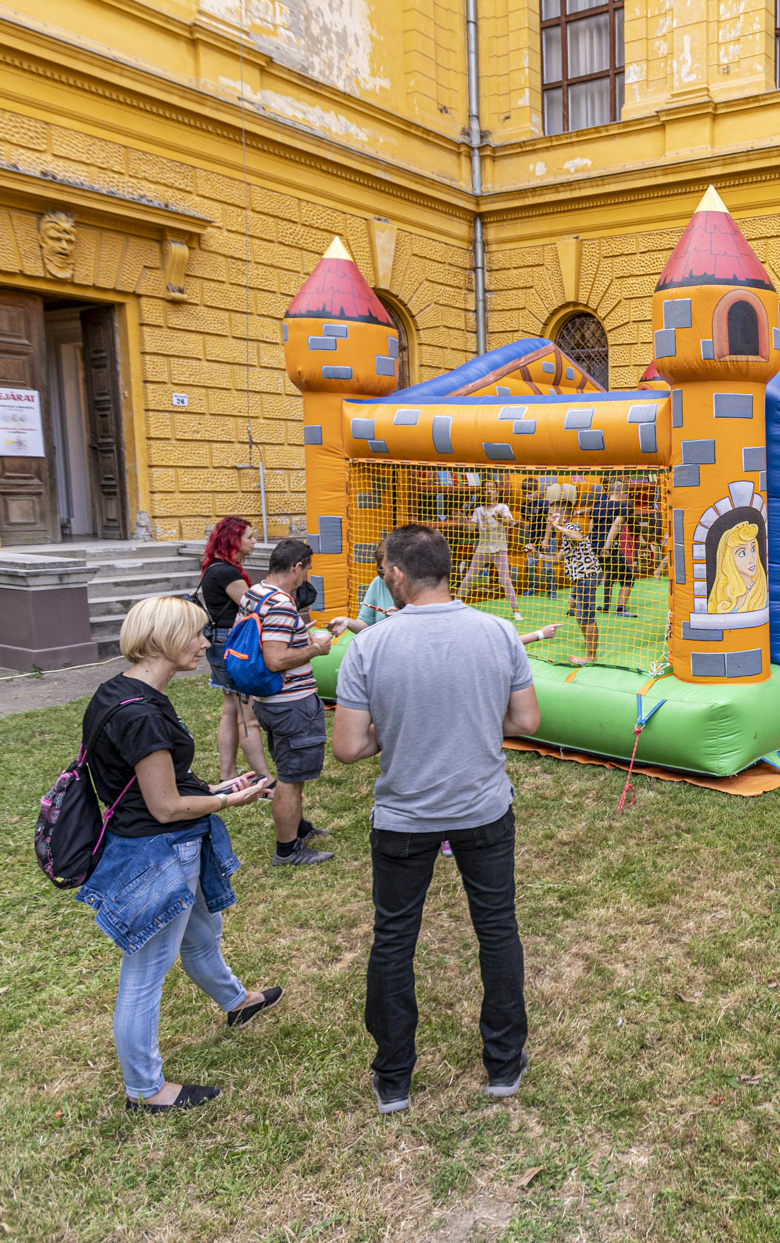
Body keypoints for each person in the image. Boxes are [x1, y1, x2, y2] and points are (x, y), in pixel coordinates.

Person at [330, 524, 542, 1115]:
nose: (383, 579)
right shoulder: (499, 632)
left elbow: (347, 747)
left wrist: (397, 726)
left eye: (383, 571)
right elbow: (526, 721)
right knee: (496, 929)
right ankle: (504, 1064)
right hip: (483, 809)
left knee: (395, 939)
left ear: (397, 575)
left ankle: (394, 1078)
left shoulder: (371, 645)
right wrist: (471, 718)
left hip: (404, 816)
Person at [75, 596, 279, 1112]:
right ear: (162, 639)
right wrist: (229, 801)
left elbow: (151, 781)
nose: (206, 643)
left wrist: (213, 786)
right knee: (146, 971)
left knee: (202, 933)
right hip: (158, 853)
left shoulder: (120, 691)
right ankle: (146, 1090)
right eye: (196, 634)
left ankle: (237, 1002)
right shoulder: (142, 714)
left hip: (162, 842)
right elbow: (165, 807)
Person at [238, 539, 335, 867]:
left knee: (289, 769)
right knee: (291, 780)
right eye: (307, 570)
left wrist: (298, 634)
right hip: (291, 703)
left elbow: (264, 639)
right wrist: (316, 648)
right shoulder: (281, 602)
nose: (306, 577)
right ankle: (287, 849)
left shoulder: (255, 593)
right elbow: (276, 659)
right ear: (296, 567)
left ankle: (298, 827)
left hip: (267, 701)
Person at [197, 516, 270, 783]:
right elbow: (255, 609)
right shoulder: (226, 572)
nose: (255, 541)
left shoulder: (214, 568)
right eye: (249, 537)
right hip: (233, 645)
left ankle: (227, 775)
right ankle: (264, 781)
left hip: (220, 642)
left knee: (231, 710)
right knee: (247, 717)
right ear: (233, 540)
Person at [547, 505, 603, 665]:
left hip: (587, 576)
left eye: (553, 515)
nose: (549, 518)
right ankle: (588, 638)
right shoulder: (565, 533)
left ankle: (590, 657)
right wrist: (537, 555)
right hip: (581, 578)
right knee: (573, 604)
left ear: (563, 517)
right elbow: (557, 559)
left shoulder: (571, 527)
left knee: (587, 616)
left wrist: (558, 526)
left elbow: (578, 536)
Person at [464, 490, 522, 621]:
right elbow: (471, 529)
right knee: (470, 576)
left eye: (492, 489)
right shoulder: (478, 510)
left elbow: (509, 523)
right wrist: (464, 518)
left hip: (499, 548)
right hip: (483, 548)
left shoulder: (503, 507)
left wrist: (500, 518)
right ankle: (456, 602)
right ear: (482, 493)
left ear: (497, 492)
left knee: (505, 579)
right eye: (486, 489)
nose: (489, 492)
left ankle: (516, 611)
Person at [594, 480, 637, 617]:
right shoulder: (622, 507)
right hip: (608, 547)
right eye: (627, 494)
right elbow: (616, 526)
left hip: (594, 546)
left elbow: (592, 526)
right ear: (622, 493)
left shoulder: (598, 506)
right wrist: (606, 547)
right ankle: (620, 609)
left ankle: (604, 606)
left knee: (608, 573)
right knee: (629, 576)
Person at [518, 478, 556, 598]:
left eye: (529, 493)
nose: (527, 496)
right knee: (531, 564)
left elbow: (549, 521)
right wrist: (515, 523)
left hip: (548, 538)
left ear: (536, 491)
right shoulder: (524, 506)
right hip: (533, 539)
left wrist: (546, 539)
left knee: (548, 566)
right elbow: (526, 519)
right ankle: (532, 587)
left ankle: (552, 591)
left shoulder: (543, 503)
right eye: (525, 494)